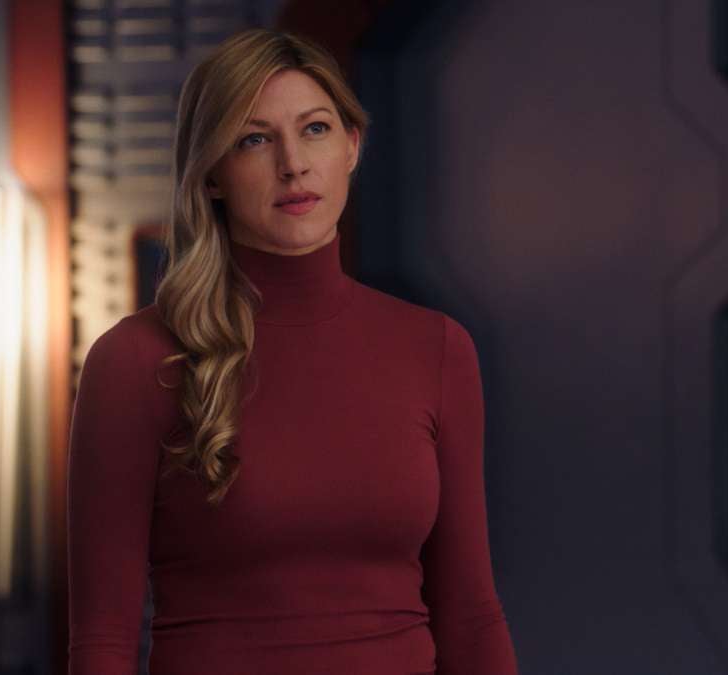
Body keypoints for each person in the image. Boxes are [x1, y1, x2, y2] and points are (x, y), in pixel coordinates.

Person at [66, 28, 518, 675]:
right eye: (254, 139)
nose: (293, 164)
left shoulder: (438, 349)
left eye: (315, 130)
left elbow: (470, 614)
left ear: (352, 146)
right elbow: (102, 641)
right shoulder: (135, 361)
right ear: (212, 174)